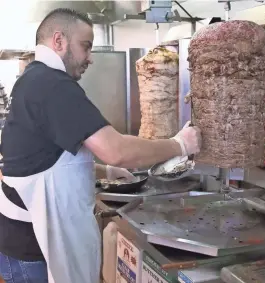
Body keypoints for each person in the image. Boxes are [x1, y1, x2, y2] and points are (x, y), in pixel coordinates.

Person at [0, 8, 201, 283]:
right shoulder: (52, 84)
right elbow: (117, 150)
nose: (90, 58)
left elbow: (43, 157)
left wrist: (103, 171)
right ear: (58, 41)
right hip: (32, 248)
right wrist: (179, 144)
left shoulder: (33, 79)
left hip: (20, 241)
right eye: (86, 47)